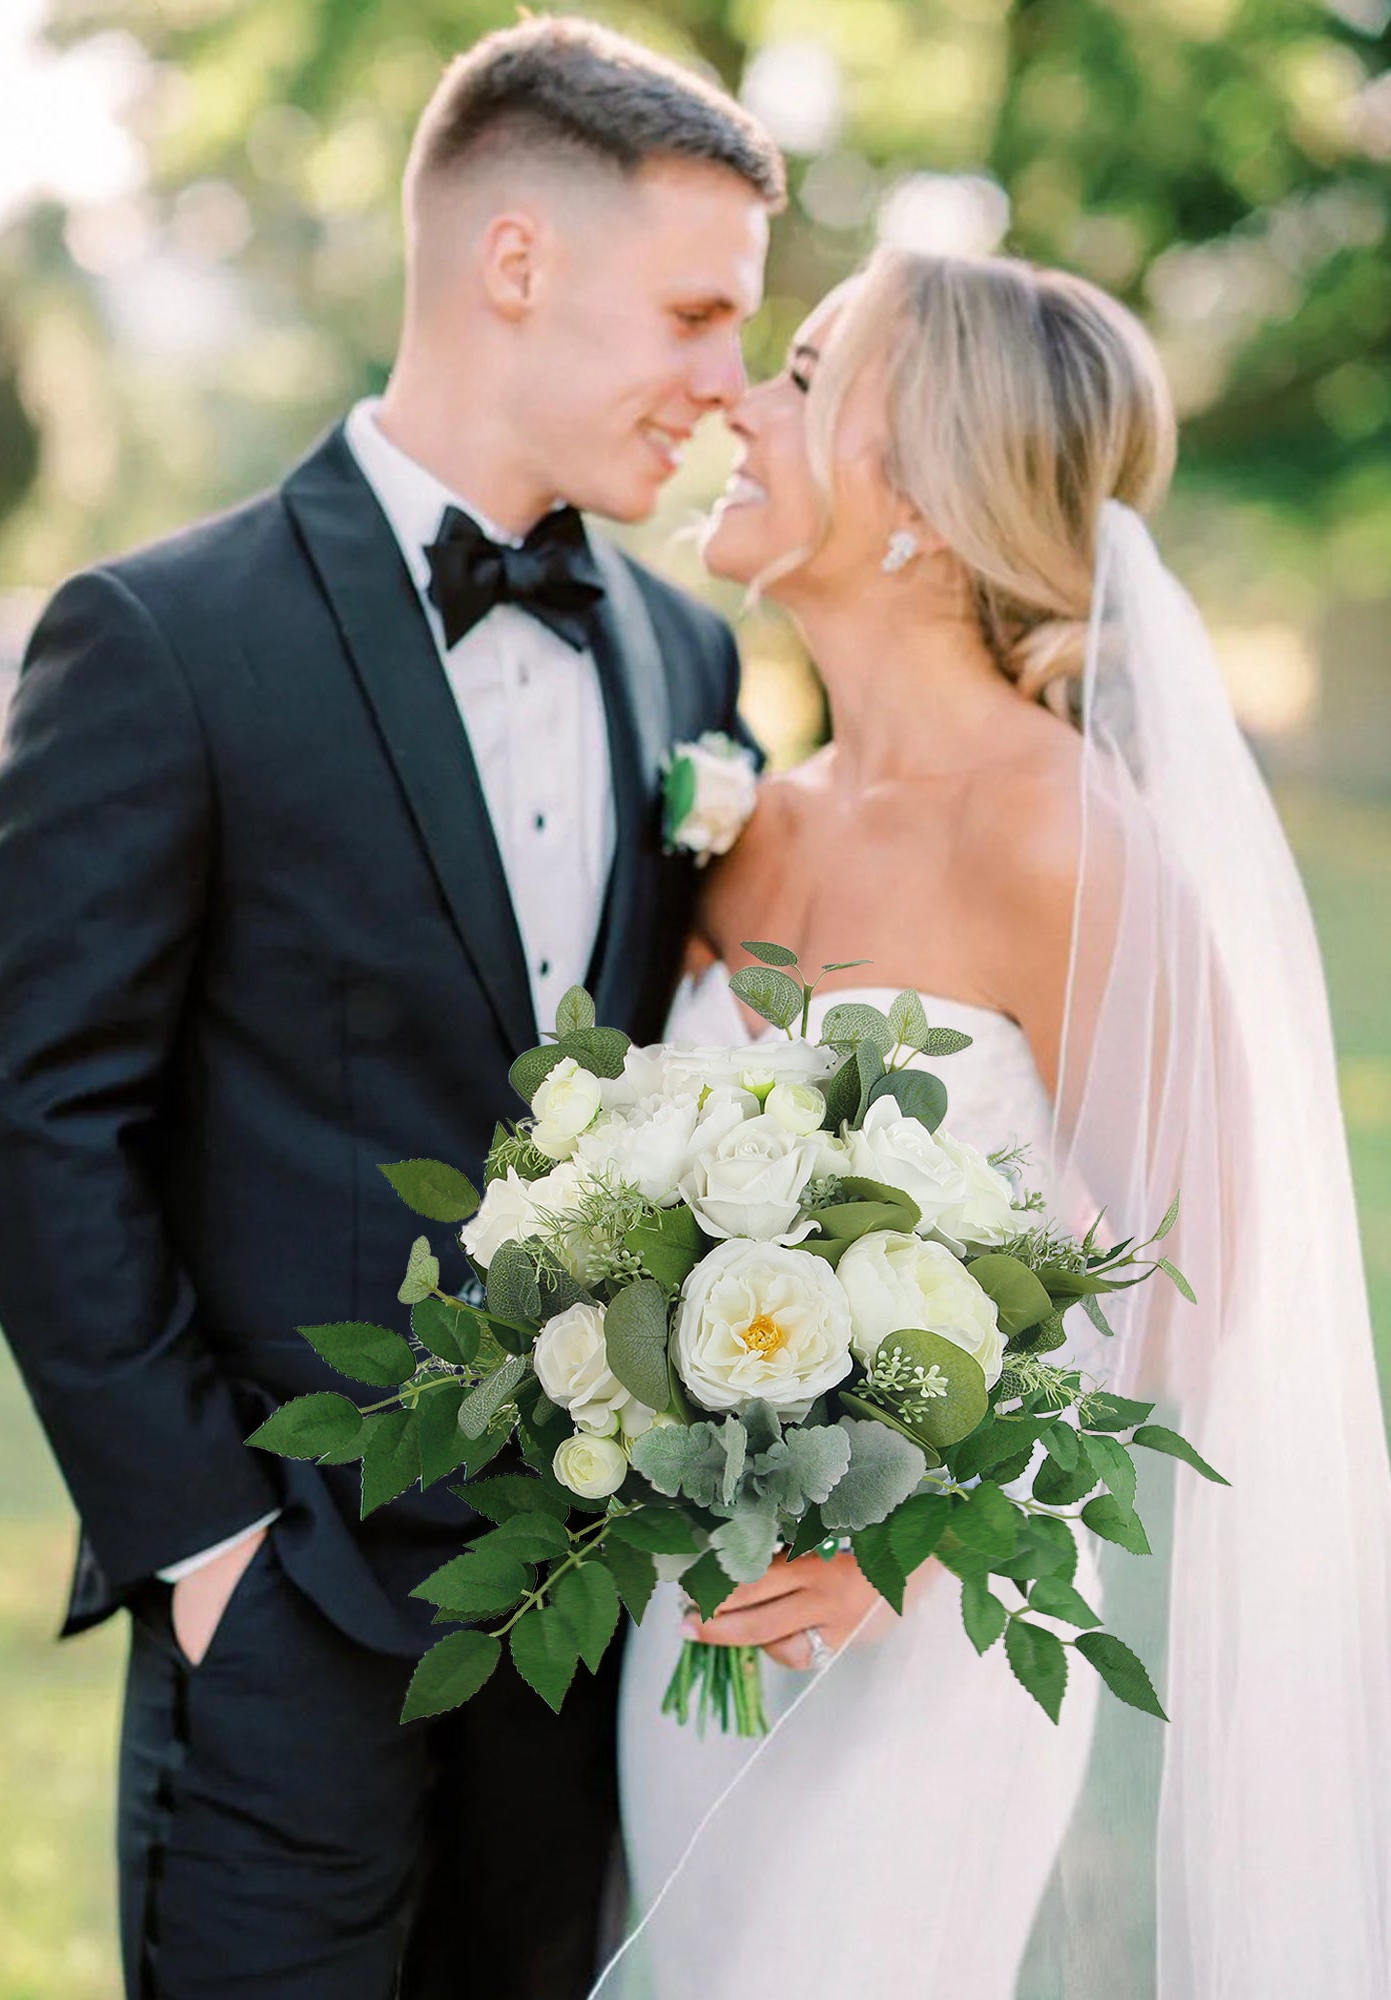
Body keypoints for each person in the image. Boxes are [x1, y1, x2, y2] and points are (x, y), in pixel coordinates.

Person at [0, 19, 780, 1998]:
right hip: (291, 1614)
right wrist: (211, 1551)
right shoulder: (164, 636)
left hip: (591, 1623)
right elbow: (37, 1111)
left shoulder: (689, 653)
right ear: (516, 264)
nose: (730, 385)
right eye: (697, 311)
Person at [602, 251, 1391, 1996]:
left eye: (804, 375)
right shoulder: (748, 825)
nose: (738, 398)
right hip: (698, 1624)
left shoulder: (1067, 845)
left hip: (917, 1657)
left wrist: (900, 1529)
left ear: (924, 495)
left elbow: (1189, 1303)